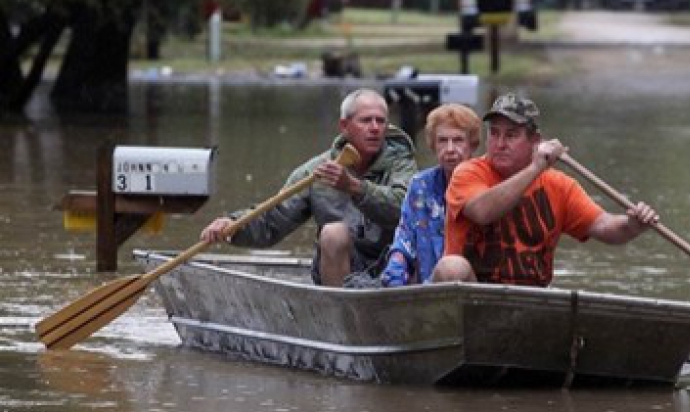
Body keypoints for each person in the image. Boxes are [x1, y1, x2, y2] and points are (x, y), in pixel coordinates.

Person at [432, 93, 659, 286]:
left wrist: (632, 225)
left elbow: (604, 226)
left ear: (535, 141)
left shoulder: (559, 186)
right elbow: (482, 212)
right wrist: (536, 167)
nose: (499, 144)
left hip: (530, 302)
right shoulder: (468, 172)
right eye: (494, 133)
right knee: (451, 267)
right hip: (473, 299)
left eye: (511, 135)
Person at [200, 88, 417, 288]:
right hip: (340, 270)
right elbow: (273, 221)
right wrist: (233, 226)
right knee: (333, 232)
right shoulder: (315, 172)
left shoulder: (402, 165)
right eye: (366, 121)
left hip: (392, 266)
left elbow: (403, 208)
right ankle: (337, 314)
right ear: (344, 126)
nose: (374, 128)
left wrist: (355, 187)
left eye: (380, 121)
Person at [380, 103, 481, 287]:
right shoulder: (420, 185)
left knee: (452, 268)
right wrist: (396, 266)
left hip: (474, 289)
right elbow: (405, 239)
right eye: (442, 140)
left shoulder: (486, 183)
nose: (450, 149)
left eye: (458, 140)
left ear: (472, 145)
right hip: (427, 288)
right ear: (433, 145)